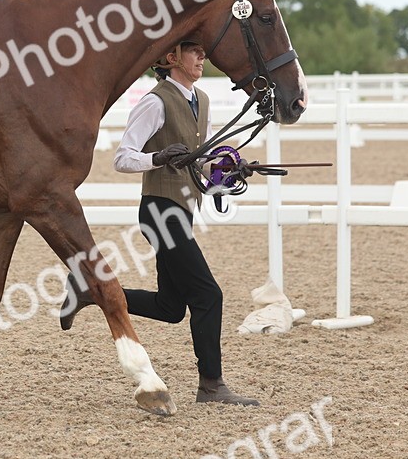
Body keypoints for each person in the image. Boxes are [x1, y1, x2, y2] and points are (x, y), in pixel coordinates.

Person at [60, 40, 259, 406]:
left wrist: (230, 167)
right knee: (208, 294)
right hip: (159, 211)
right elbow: (123, 158)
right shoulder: (155, 102)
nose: (202, 57)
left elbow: (200, 163)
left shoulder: (202, 101)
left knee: (171, 307)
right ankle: (211, 385)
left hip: (182, 209)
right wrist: (159, 157)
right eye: (194, 51)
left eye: (202, 52)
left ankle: (92, 290)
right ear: (171, 59)